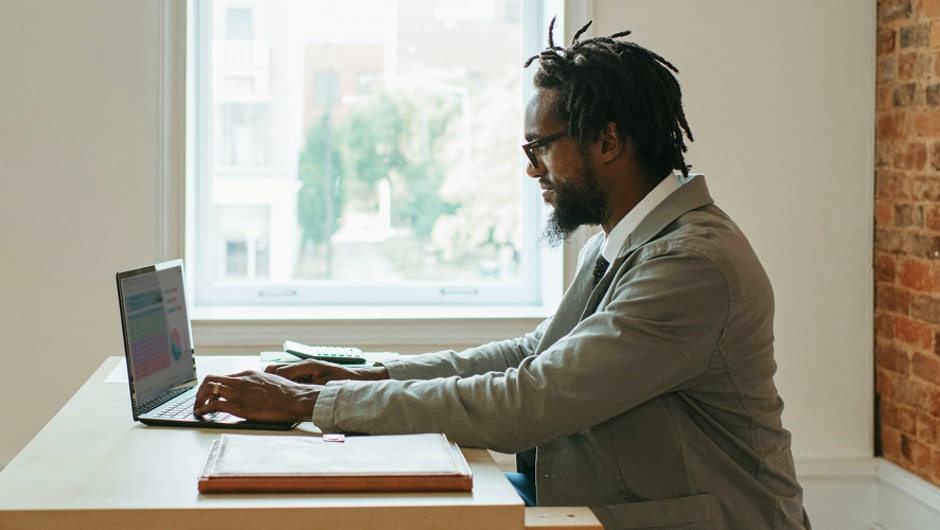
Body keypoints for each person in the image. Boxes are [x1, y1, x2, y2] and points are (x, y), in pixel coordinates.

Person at [194, 19, 811, 529]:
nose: (532, 170)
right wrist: (365, 374)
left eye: (540, 147)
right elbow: (533, 354)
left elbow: (529, 399)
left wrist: (317, 402)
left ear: (608, 140)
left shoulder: (690, 265)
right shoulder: (626, 241)